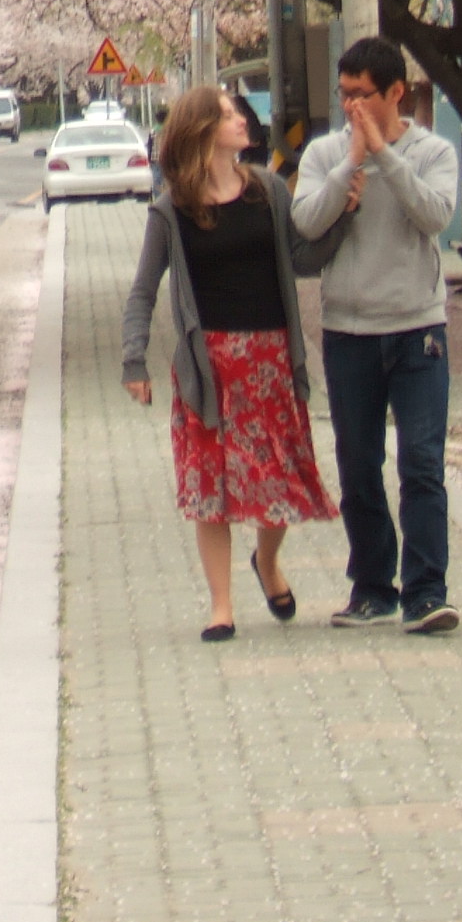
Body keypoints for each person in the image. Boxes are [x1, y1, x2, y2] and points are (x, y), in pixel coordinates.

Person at [121, 84, 341, 640]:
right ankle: (222, 606)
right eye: (228, 116)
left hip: (269, 360)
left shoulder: (267, 189)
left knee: (277, 487)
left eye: (239, 114)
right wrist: (134, 361)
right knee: (210, 491)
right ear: (202, 132)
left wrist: (342, 215)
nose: (243, 121)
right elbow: (144, 290)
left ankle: (267, 562)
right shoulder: (172, 209)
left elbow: (300, 259)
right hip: (208, 369)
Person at [293, 36, 462, 634]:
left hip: (419, 328)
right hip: (348, 329)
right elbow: (305, 223)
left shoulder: (433, 151)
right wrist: (350, 166)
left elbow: (435, 216)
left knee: (420, 460)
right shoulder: (323, 154)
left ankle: (425, 590)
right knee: (359, 463)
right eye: (343, 96)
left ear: (394, 92)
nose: (350, 108)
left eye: (361, 95)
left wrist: (383, 156)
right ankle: (372, 586)